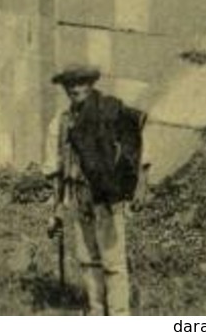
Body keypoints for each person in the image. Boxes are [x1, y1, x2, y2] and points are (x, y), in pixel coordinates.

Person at [44, 63, 148, 316]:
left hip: (107, 196)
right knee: (87, 258)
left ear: (91, 85)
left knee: (113, 261)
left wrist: (139, 185)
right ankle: (96, 311)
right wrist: (55, 211)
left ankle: (119, 316)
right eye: (70, 85)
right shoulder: (61, 122)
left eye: (81, 83)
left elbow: (136, 144)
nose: (75, 89)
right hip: (79, 196)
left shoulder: (111, 112)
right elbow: (55, 169)